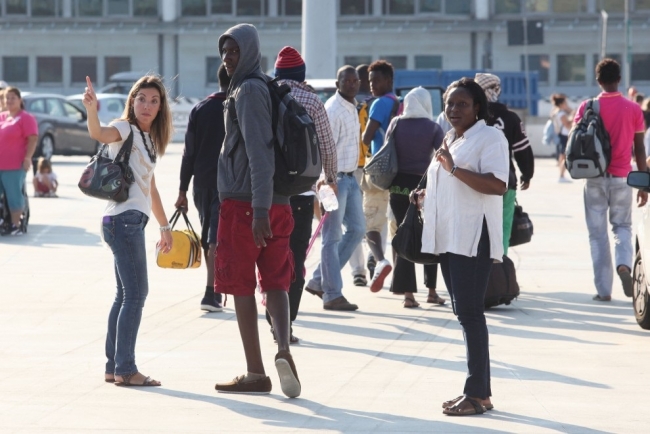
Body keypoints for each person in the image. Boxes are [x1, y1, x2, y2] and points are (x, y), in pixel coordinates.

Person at [213, 24, 300, 398]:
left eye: (234, 52)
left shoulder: (247, 90)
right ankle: (283, 347)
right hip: (276, 204)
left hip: (248, 206)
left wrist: (259, 209)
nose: (228, 59)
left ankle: (255, 372)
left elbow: (258, 152)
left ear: (249, 52)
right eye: (225, 52)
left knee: (240, 284)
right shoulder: (262, 85)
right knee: (277, 280)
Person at [414, 78, 508, 415]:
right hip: (450, 237)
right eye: (450, 104)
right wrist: (427, 196)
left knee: (470, 314)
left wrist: (453, 168)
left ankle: (476, 393)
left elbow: (497, 185)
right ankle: (479, 393)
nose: (454, 110)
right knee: (464, 314)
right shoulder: (452, 138)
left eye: (462, 104)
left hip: (473, 237)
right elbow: (452, 184)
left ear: (478, 107)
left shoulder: (491, 137)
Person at [83, 74, 174, 387]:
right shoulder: (124, 128)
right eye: (141, 99)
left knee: (125, 295)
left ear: (161, 107)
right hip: (123, 221)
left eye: (154, 100)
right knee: (136, 294)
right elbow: (98, 132)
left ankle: (114, 367)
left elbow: (152, 188)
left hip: (125, 221)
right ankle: (126, 369)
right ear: (131, 101)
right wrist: (92, 110)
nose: (146, 105)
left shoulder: (148, 140)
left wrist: (164, 226)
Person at [263, 46, 338, 343]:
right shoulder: (312, 100)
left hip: (267, 192)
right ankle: (286, 325)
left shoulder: (265, 95)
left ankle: (271, 317)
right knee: (294, 258)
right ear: (302, 75)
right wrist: (329, 180)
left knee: (268, 257)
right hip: (302, 194)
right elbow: (327, 146)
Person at [574, 58, 648, 302]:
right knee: (622, 227)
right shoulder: (634, 109)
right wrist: (643, 183)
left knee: (597, 234)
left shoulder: (586, 106)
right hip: (622, 177)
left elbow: (577, 141)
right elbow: (639, 150)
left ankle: (604, 291)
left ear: (598, 80)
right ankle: (624, 265)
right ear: (619, 79)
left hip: (593, 176)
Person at [304, 65, 365, 311]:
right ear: (338, 83)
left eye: (354, 80)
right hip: (334, 180)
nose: (351, 84)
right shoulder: (333, 109)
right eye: (346, 81)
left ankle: (320, 280)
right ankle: (332, 293)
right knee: (331, 237)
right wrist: (326, 181)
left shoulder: (353, 107)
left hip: (351, 179)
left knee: (358, 230)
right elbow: (322, 149)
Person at [175, 64, 230, 313]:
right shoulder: (239, 107)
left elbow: (189, 153)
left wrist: (183, 190)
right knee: (215, 239)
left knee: (211, 236)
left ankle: (216, 289)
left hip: (202, 184)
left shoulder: (200, 108)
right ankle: (212, 292)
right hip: (230, 183)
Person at [387, 87, 445, 308]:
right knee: (429, 237)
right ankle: (431, 291)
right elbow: (442, 156)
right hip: (424, 188)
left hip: (398, 188)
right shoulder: (432, 127)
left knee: (405, 237)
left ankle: (408, 295)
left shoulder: (396, 123)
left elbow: (387, 148)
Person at [475, 73, 534, 255]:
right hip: (504, 181)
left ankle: (478, 272)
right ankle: (499, 271)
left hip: (474, 181)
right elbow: (523, 151)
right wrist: (527, 174)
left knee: (476, 230)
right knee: (502, 230)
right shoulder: (510, 118)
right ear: (497, 90)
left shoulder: (471, 116)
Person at [361, 60, 399, 292]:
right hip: (398, 171)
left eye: (376, 80)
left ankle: (380, 260)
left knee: (371, 223)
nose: (372, 85)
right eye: (370, 80)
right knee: (395, 226)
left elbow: (367, 137)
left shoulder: (379, 104)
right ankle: (399, 277)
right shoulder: (398, 102)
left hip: (378, 171)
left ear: (388, 81)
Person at [0, 86, 38, 236]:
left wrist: (27, 157)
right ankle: (4, 222)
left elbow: (33, 139)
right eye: (6, 98)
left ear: (20, 100)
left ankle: (16, 225)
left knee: (14, 195)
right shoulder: (2, 116)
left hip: (15, 165)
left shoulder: (26, 118)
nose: (9, 101)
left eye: (12, 98)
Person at [348, 63, 373, 286]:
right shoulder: (385, 103)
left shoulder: (350, 105)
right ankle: (375, 255)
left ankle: (358, 271)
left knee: (353, 222)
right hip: (376, 167)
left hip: (353, 168)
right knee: (376, 217)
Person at [551, 93, 573, 183]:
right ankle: (562, 176)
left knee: (562, 156)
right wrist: (574, 116)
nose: (567, 105)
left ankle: (561, 175)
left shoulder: (556, 112)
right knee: (565, 157)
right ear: (561, 104)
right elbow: (567, 125)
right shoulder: (562, 114)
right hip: (565, 135)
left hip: (561, 135)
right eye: (565, 103)